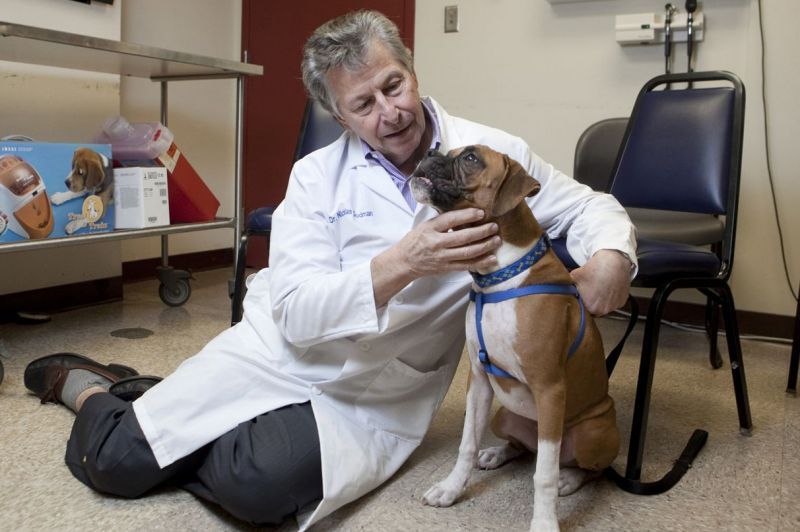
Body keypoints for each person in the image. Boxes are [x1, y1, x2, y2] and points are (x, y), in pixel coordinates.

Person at [23, 9, 636, 530]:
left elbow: (588, 206)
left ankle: (176, 409)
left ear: (413, 70)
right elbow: (294, 310)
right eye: (363, 105)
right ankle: (101, 387)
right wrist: (401, 263)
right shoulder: (315, 176)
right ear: (339, 117)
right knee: (119, 462)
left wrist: (611, 254)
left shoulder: (490, 154)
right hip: (280, 350)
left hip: (377, 392)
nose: (390, 113)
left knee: (257, 489)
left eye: (394, 86)